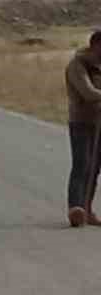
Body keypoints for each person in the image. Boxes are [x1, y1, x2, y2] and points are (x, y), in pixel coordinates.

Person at [64, 31, 101, 227]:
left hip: (99, 122)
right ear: (95, 45)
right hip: (81, 122)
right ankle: (75, 208)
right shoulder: (77, 65)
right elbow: (87, 92)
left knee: (94, 168)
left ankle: (87, 209)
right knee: (82, 164)